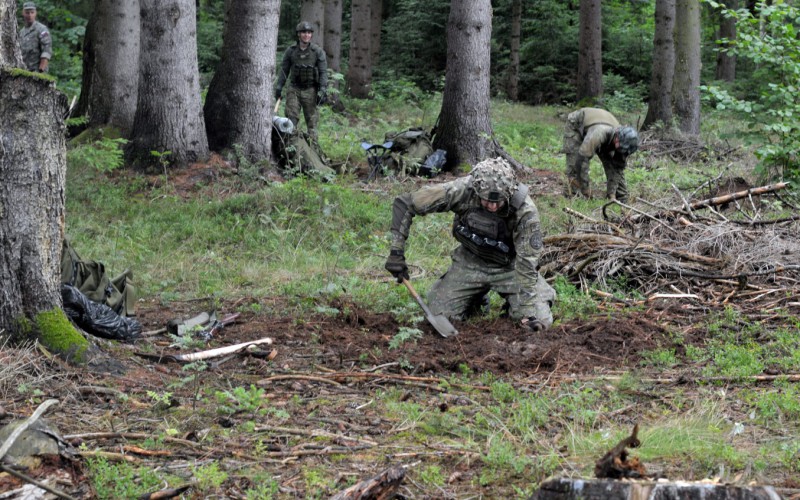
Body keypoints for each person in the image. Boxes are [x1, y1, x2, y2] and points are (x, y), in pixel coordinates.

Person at [384, 157, 556, 332]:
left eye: (499, 201)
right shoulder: (461, 190)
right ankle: (475, 300)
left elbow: (527, 263)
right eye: (487, 201)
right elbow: (406, 203)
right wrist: (396, 252)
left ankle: (515, 307)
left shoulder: (525, 211)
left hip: (511, 269)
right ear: (476, 191)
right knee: (441, 313)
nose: (493, 206)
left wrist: (527, 312)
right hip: (469, 262)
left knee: (539, 322)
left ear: (510, 193)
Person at [563, 107, 639, 202]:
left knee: (614, 165)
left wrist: (612, 193)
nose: (621, 151)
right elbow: (582, 160)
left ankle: (620, 197)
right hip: (576, 124)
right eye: (620, 148)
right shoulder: (598, 134)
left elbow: (618, 167)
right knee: (574, 165)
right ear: (616, 139)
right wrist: (585, 188)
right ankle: (573, 196)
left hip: (604, 129)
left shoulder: (625, 142)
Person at [274, 21, 328, 142]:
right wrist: (279, 86)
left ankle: (313, 151)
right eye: (304, 32)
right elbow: (284, 71)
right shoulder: (291, 51)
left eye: (309, 33)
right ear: (299, 34)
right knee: (291, 121)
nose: (306, 35)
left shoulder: (317, 52)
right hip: (294, 89)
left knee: (312, 124)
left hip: (311, 90)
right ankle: (291, 149)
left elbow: (323, 72)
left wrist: (323, 90)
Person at [18, 2, 51, 73]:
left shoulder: (42, 29)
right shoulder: (21, 32)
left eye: (32, 12)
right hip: (24, 71)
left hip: (37, 71)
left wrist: (41, 70)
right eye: (27, 13)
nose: (30, 15)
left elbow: (46, 50)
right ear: (23, 13)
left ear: (35, 13)